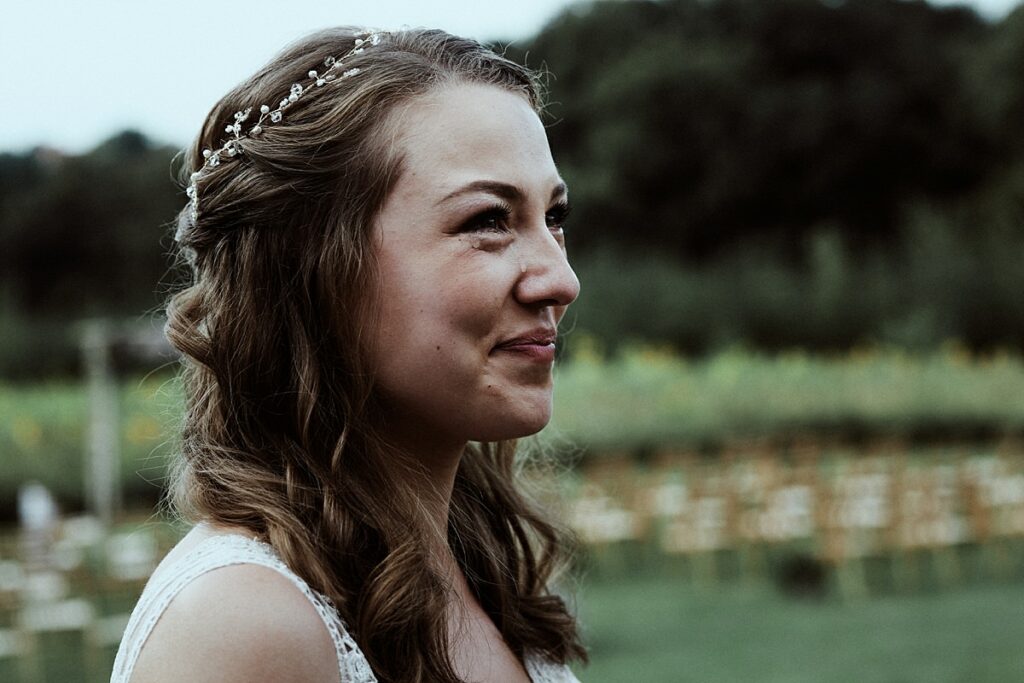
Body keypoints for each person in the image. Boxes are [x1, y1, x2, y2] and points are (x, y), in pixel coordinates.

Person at [110, 26, 586, 683]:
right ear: (314, 272)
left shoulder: (478, 573)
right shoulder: (243, 624)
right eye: (487, 220)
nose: (561, 279)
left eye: (553, 217)